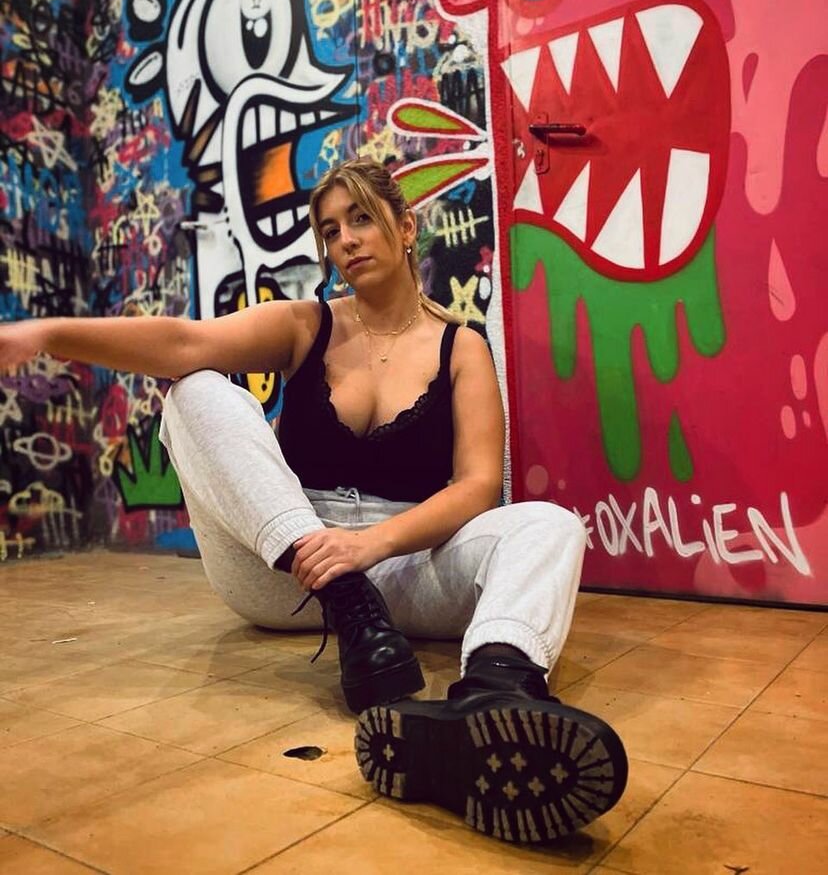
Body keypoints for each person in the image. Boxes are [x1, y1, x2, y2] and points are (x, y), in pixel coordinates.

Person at [0, 158, 627, 845]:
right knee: (195, 388)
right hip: (290, 574)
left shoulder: (461, 347)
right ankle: (349, 605)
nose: (345, 240)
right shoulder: (306, 325)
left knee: (549, 524)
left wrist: (370, 545)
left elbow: (477, 487)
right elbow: (184, 341)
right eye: (330, 230)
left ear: (406, 227)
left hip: (401, 565)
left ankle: (494, 693)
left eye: (361, 218)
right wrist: (47, 335)